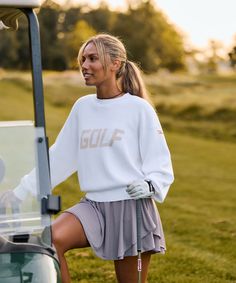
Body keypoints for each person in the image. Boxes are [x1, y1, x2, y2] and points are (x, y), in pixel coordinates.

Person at [1, 33, 174, 283]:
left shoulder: (139, 109)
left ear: (115, 64)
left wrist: (150, 184)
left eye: (92, 58)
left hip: (130, 208)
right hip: (93, 205)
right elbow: (59, 157)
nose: (84, 65)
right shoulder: (82, 107)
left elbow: (160, 162)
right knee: (51, 240)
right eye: (83, 59)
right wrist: (21, 191)